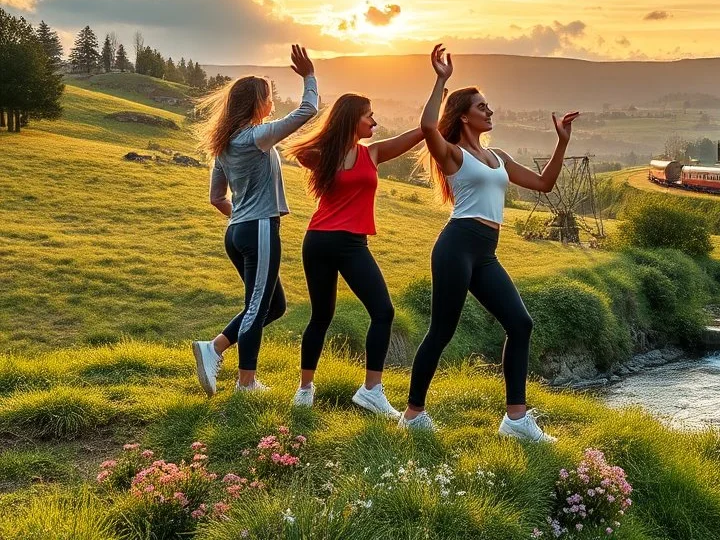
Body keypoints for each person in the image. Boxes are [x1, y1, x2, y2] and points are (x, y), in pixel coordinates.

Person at [399, 44, 578, 442]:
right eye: (483, 107)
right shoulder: (454, 155)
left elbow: (544, 185)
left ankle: (515, 420)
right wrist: (441, 80)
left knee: (520, 323)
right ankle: (412, 413)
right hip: (457, 246)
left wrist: (561, 142)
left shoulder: (498, 156)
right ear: (464, 116)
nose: (490, 112)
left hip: (485, 253)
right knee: (442, 331)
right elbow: (428, 127)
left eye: (489, 106)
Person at [281, 93, 424, 416]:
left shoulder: (372, 153)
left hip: (352, 244)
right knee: (322, 315)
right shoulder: (322, 155)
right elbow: (301, 151)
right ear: (351, 120)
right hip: (319, 241)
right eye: (368, 116)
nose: (375, 122)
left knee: (382, 312)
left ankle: (371, 390)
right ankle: (305, 389)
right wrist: (335, 139)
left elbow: (419, 132)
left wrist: (438, 89)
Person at [191, 45, 318, 396]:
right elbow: (308, 110)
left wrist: (243, 217)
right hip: (260, 228)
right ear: (256, 103)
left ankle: (214, 348)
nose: (273, 103)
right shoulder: (256, 137)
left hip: (238, 230)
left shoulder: (225, 143)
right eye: (269, 97)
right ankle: (245, 381)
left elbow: (217, 198)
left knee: (272, 305)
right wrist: (309, 75)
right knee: (257, 306)